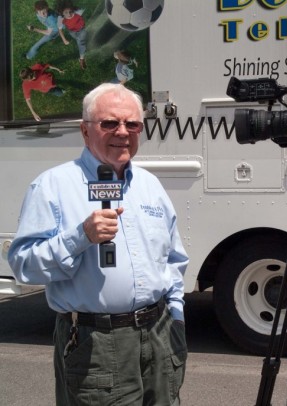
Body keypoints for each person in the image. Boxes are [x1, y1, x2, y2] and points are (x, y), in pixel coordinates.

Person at [8, 83, 189, 405]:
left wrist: (176, 316)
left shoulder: (150, 185)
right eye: (109, 123)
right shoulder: (53, 186)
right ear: (85, 130)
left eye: (132, 124)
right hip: (97, 342)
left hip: (159, 332)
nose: (122, 132)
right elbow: (23, 266)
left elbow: (174, 259)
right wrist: (81, 237)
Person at [57, 1, 87, 69]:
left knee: (81, 43)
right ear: (62, 13)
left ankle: (81, 59)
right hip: (72, 31)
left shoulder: (78, 11)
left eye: (70, 11)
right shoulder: (60, 18)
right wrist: (64, 39)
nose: (69, 14)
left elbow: (84, 11)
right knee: (78, 39)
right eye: (66, 13)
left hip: (81, 30)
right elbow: (60, 29)